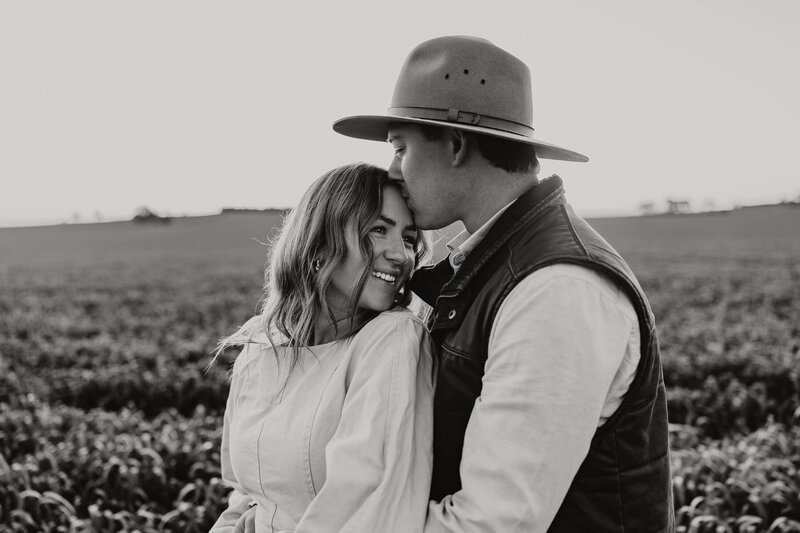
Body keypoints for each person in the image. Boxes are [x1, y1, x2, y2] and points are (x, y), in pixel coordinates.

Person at [334, 36, 674, 532]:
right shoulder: (490, 265)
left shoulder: (559, 287)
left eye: (401, 148)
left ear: (456, 145)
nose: (392, 170)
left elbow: (495, 522)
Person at [210, 163, 435, 532]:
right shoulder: (259, 346)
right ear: (321, 242)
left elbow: (366, 507)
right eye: (379, 230)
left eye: (409, 239)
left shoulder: (393, 339)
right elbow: (244, 492)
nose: (401, 255)